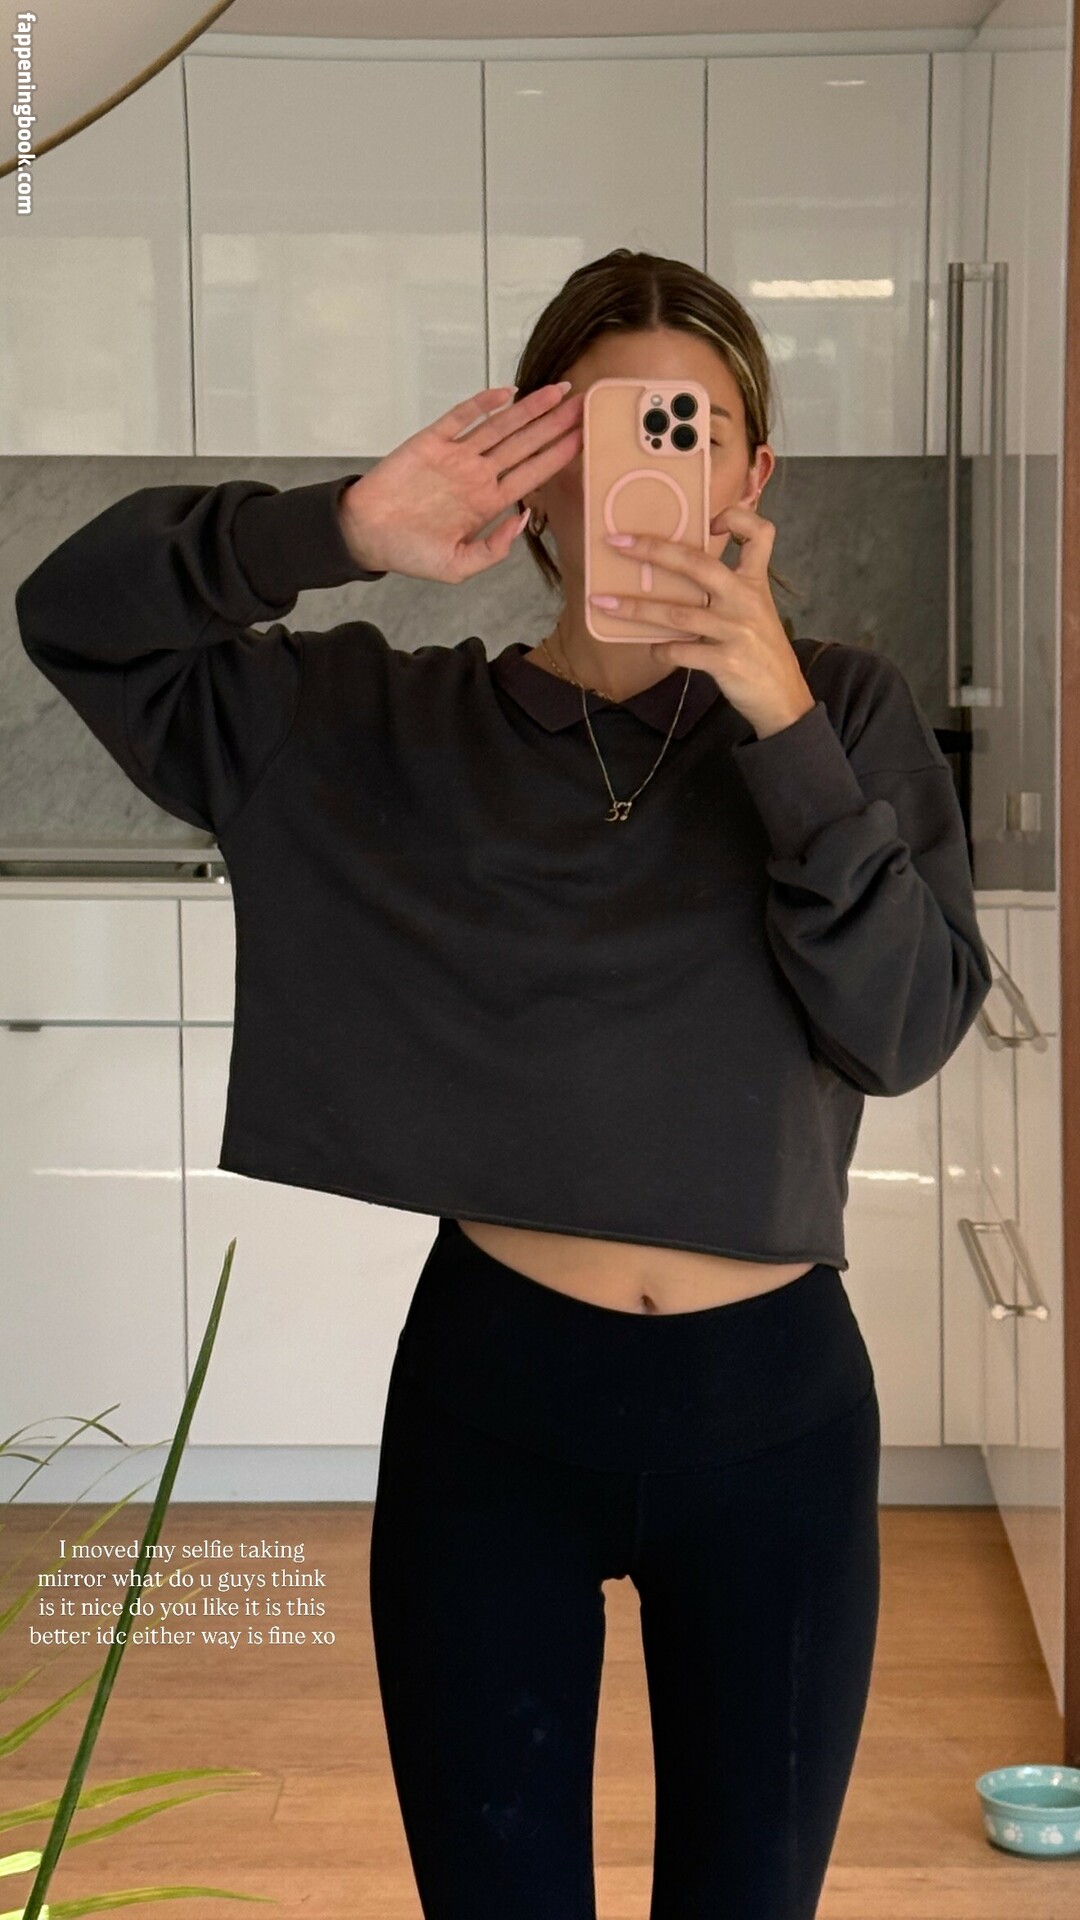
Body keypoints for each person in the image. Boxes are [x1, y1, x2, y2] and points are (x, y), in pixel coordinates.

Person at [17, 248, 993, 1919]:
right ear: (534, 469)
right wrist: (335, 530)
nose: (645, 471)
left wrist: (777, 715)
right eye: (601, 431)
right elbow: (77, 615)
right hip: (497, 1411)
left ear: (753, 474)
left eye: (691, 430)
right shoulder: (391, 726)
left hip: (777, 1423)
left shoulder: (844, 711)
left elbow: (902, 1030)